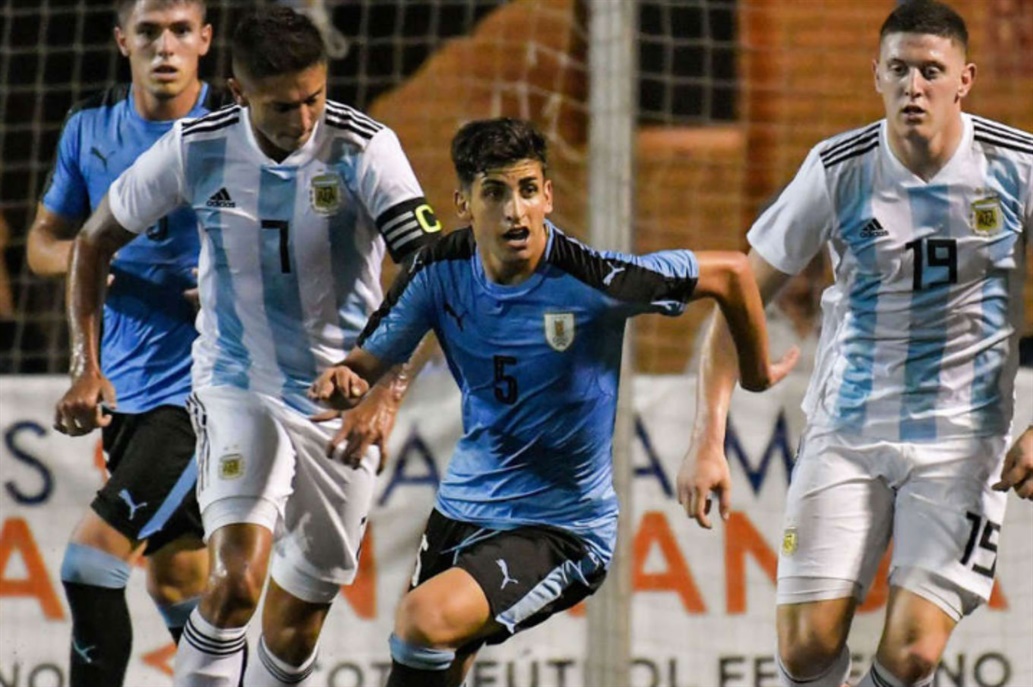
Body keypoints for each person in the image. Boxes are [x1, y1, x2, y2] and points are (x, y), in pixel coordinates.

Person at [308, 117, 797, 687]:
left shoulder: (593, 279)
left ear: (548, 195)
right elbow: (365, 363)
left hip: (561, 529)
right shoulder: (437, 270)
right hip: (460, 510)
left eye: (527, 190)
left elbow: (732, 273)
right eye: (495, 193)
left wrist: (754, 377)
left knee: (422, 619)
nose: (515, 212)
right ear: (464, 204)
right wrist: (345, 380)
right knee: (432, 664)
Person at [53, 7, 443, 686]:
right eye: (282, 106)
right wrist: (87, 366)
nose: (304, 119)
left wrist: (385, 389)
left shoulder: (364, 147)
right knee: (234, 582)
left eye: (314, 97)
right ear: (238, 91)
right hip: (236, 382)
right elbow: (93, 240)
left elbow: (432, 268)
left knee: (293, 632)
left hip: (338, 400)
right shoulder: (197, 146)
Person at [677, 2, 1033, 686]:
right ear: (876, 75)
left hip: (964, 438)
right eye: (898, 69)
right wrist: (706, 437)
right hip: (847, 429)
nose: (912, 87)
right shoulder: (836, 168)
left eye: (931, 71)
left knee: (913, 653)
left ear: (965, 79)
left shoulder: (1016, 165)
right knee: (805, 647)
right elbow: (736, 296)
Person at [32, 1, 224, 684]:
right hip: (126, 386)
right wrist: (85, 257)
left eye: (180, 31)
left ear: (205, 39)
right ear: (122, 40)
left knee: (90, 562)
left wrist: (233, 281)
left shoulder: (235, 125)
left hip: (204, 391)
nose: (165, 47)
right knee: (179, 581)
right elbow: (43, 242)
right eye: (148, 32)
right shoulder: (89, 127)